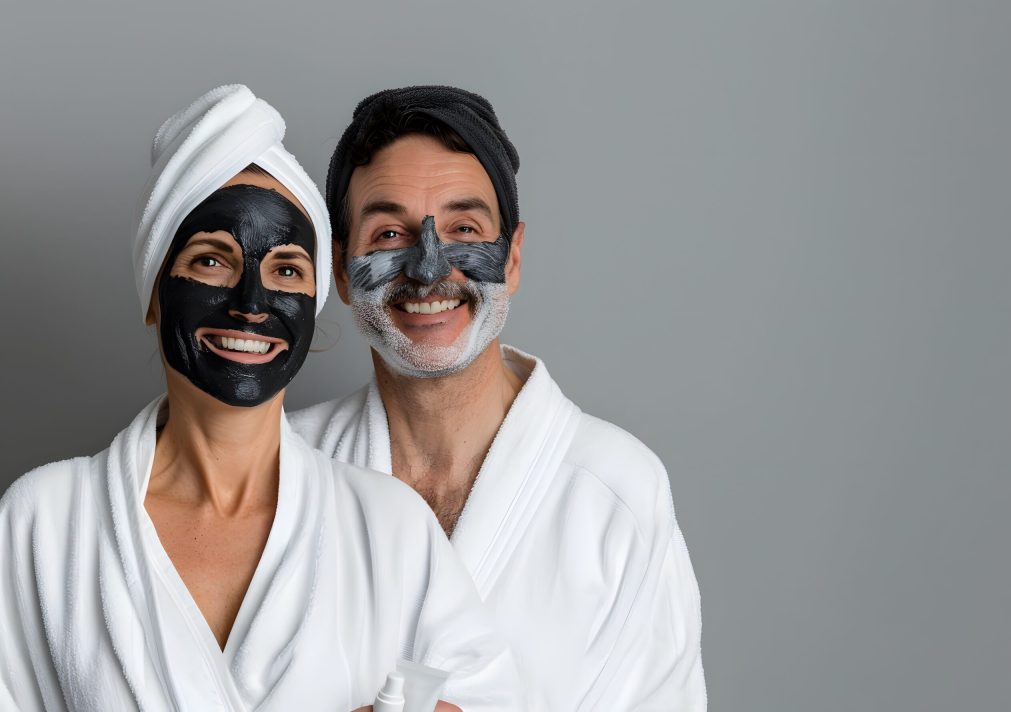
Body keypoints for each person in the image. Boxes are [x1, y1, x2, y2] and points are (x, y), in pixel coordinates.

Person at [0, 84, 522, 712]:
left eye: (286, 271)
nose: (250, 304)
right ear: (154, 294)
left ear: (314, 303)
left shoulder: (390, 528)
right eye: (212, 261)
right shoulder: (47, 523)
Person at [290, 85, 707, 710]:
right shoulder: (281, 471)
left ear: (511, 257)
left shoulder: (616, 496)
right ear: (343, 273)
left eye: (463, 228)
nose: (428, 270)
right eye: (387, 235)